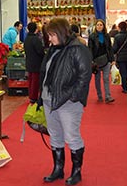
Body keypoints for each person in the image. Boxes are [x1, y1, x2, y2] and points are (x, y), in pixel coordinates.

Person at [39, 18, 92, 185]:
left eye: (52, 35)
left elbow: (84, 76)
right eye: (48, 35)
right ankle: (58, 169)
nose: (49, 39)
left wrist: (73, 96)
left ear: (61, 33)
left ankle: (76, 172)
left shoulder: (77, 48)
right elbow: (45, 73)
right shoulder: (53, 49)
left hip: (68, 102)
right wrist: (41, 97)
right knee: (55, 136)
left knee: (71, 136)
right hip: (49, 100)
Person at [88, 19, 115, 103]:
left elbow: (110, 48)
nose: (99, 26)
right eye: (98, 25)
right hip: (96, 61)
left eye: (101, 25)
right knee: (97, 79)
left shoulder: (107, 36)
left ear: (103, 26)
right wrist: (91, 60)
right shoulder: (92, 36)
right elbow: (90, 49)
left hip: (106, 60)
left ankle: (108, 96)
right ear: (95, 26)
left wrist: (112, 59)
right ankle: (99, 95)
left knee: (106, 78)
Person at [112, 21, 127, 94]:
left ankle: (125, 87)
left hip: (121, 57)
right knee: (126, 70)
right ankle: (125, 85)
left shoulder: (117, 37)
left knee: (123, 72)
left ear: (119, 28)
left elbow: (115, 48)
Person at [23, 22, 45, 103]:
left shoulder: (26, 39)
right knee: (35, 81)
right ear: (36, 29)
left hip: (29, 62)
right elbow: (40, 51)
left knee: (31, 80)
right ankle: (34, 97)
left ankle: (31, 96)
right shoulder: (36, 39)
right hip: (36, 63)